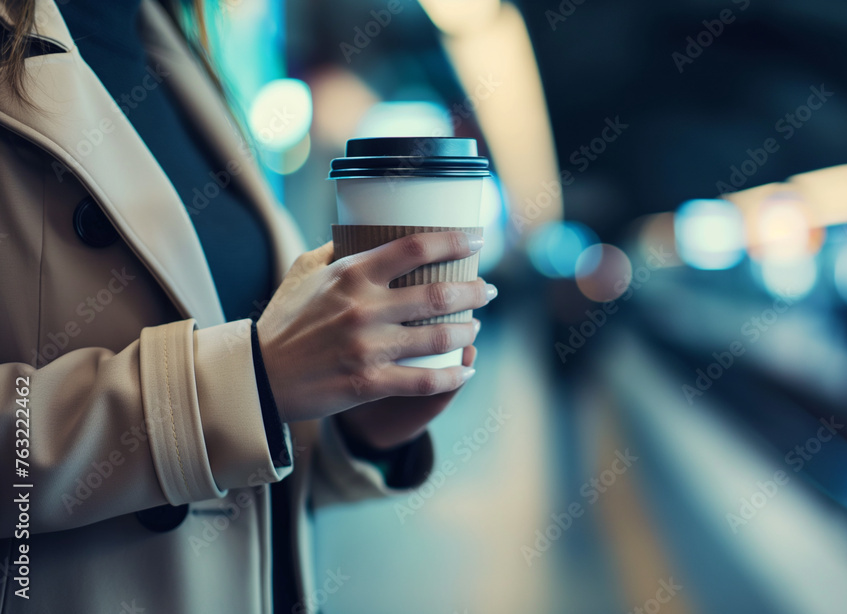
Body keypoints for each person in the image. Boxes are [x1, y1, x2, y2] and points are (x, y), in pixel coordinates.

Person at [0, 0, 497, 611]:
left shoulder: (170, 44)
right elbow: (248, 382)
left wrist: (359, 430)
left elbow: (248, 464)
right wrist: (247, 381)